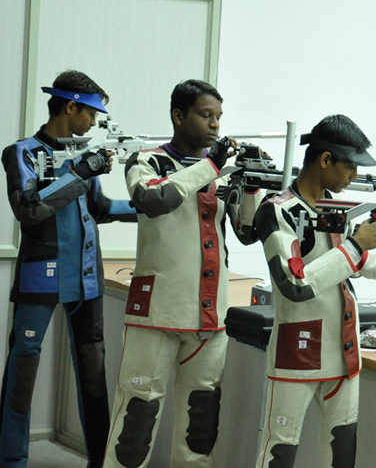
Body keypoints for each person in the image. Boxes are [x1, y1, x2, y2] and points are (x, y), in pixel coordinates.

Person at [103, 80, 260, 467]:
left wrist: (252, 184)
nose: (215, 125)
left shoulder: (221, 170)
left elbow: (247, 231)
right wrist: (211, 167)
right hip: (158, 311)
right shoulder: (147, 161)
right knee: (136, 419)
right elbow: (153, 199)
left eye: (219, 117)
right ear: (178, 116)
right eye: (205, 115)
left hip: (210, 316)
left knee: (200, 427)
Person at [0, 70, 136, 468]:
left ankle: (99, 461)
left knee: (94, 377)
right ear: (71, 107)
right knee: (23, 371)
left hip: (88, 281)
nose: (94, 122)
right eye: (91, 113)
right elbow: (29, 209)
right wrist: (81, 172)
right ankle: (12, 462)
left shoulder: (81, 155)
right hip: (40, 278)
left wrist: (151, 205)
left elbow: (101, 208)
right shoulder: (22, 153)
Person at [253, 114, 376, 468]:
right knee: (278, 454)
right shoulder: (276, 211)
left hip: (343, 352)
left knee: (342, 456)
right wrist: (356, 244)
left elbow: (354, 261)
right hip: (297, 354)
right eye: (350, 167)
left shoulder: (337, 208)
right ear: (325, 159)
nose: (354, 176)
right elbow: (295, 284)